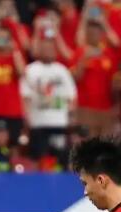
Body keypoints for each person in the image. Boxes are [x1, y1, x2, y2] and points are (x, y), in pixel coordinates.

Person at [20, 37, 77, 165]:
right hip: (37, 123)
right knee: (37, 158)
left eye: (50, 48)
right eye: (45, 48)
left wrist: (71, 117)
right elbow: (25, 96)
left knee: (61, 158)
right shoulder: (30, 70)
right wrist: (26, 118)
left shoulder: (62, 70)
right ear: (39, 50)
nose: (48, 51)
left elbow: (71, 96)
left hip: (59, 122)